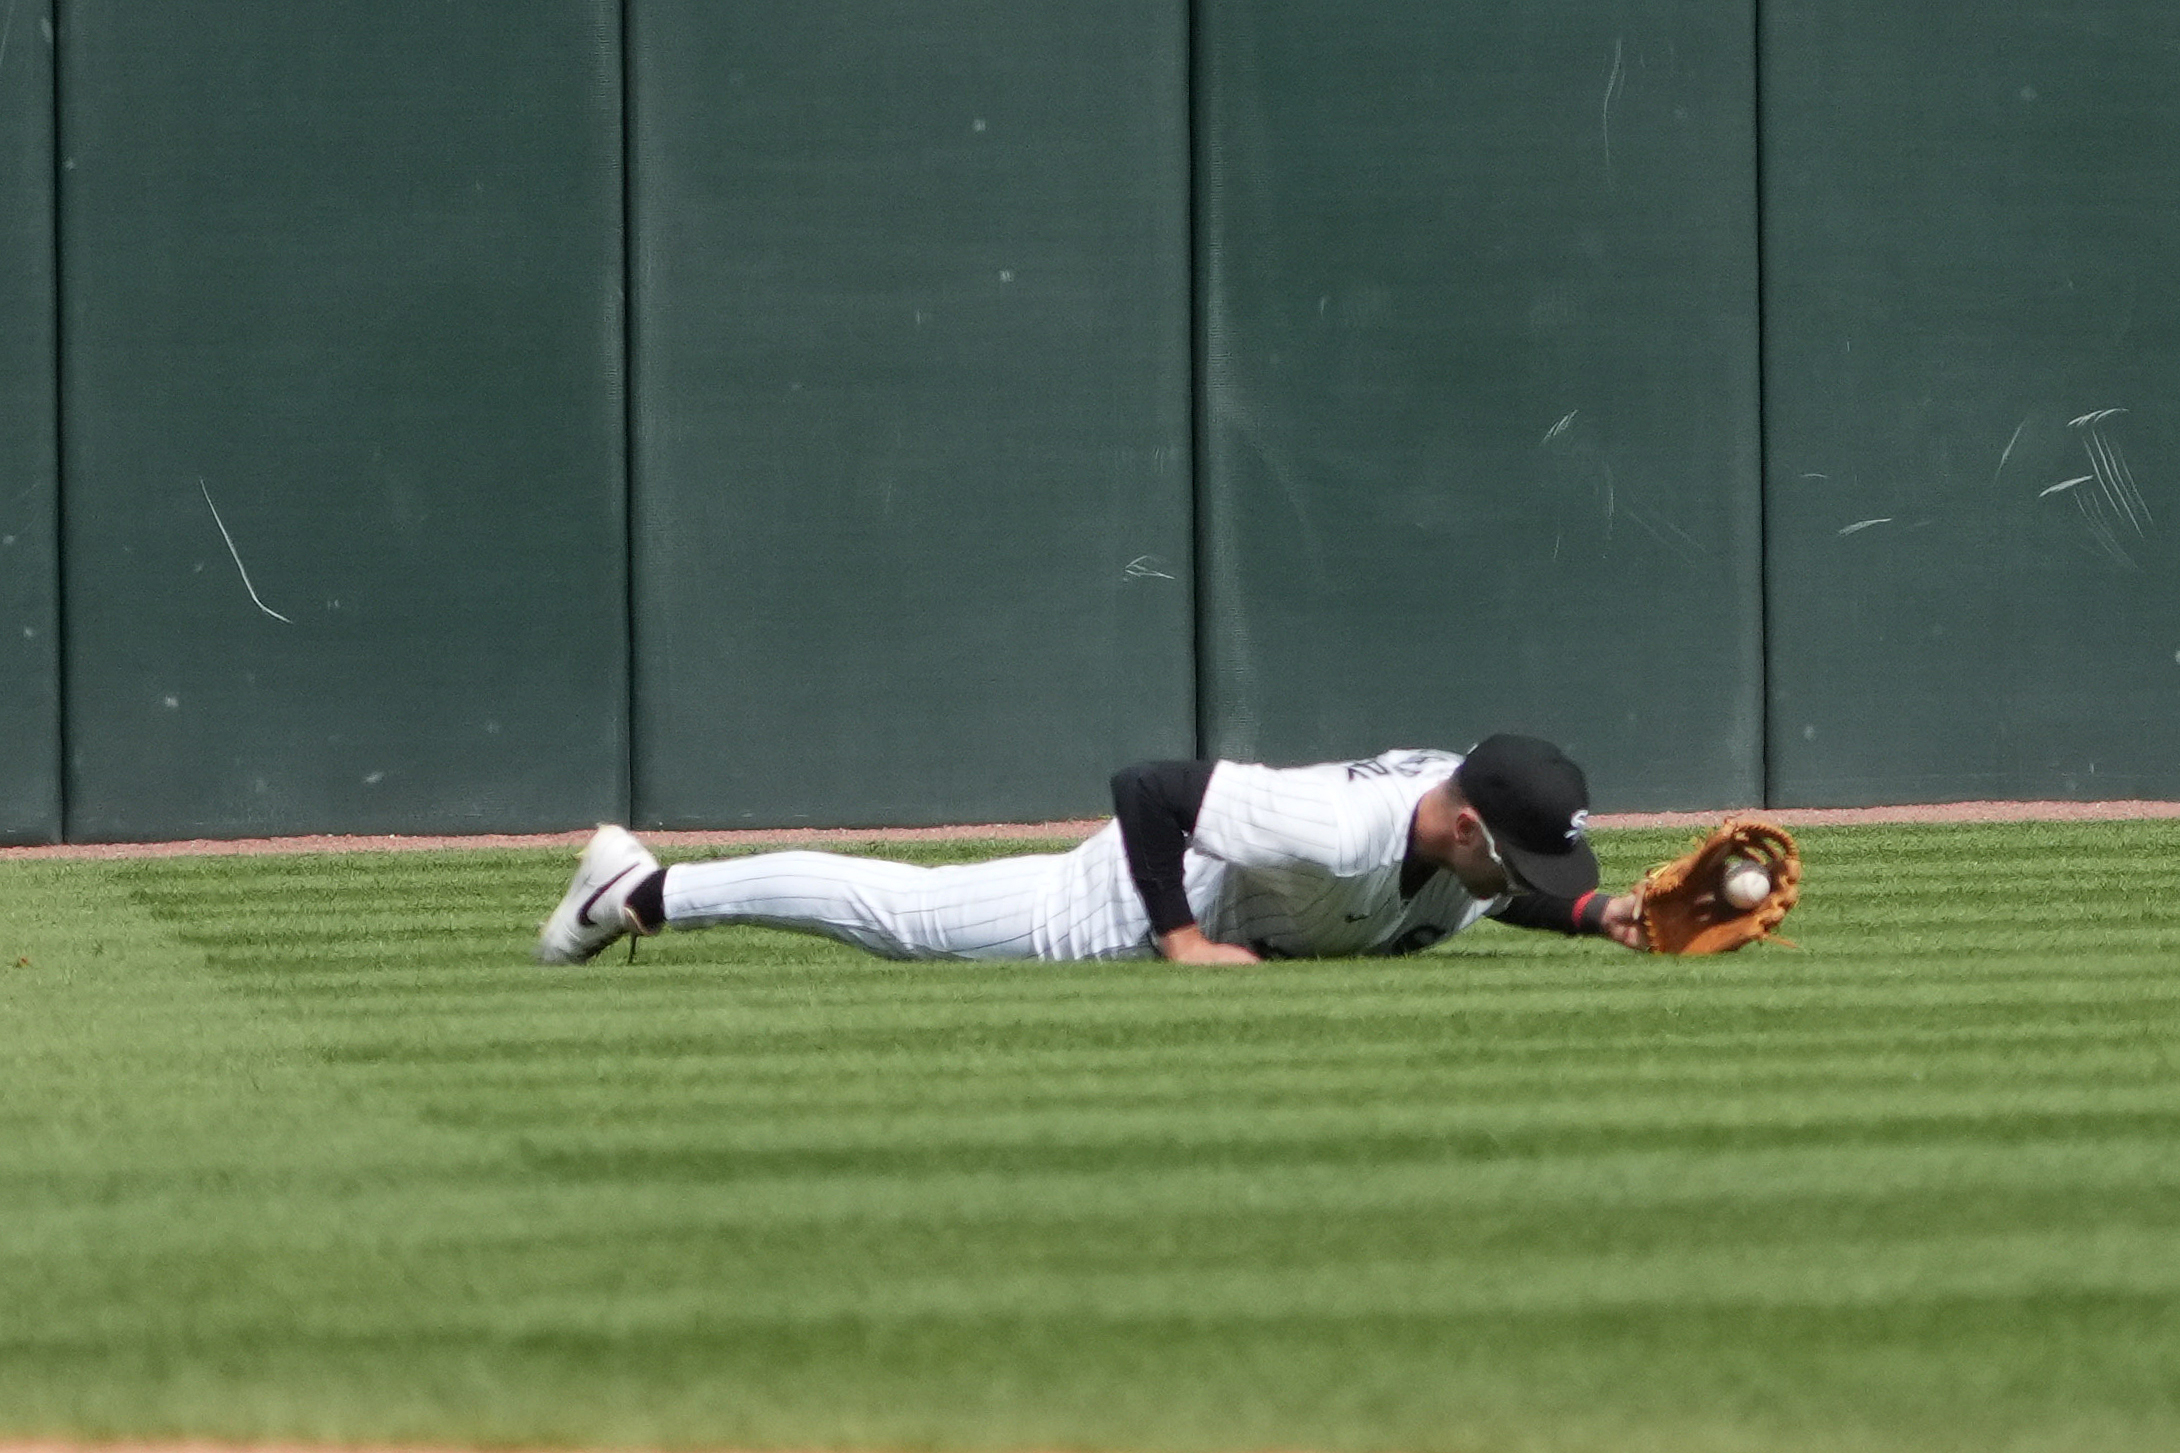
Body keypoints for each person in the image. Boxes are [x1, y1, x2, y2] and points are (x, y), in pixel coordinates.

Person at [535, 733, 1646, 966]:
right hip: (1132, 892)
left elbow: (1492, 892)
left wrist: (1600, 916)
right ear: (1464, 829)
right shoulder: (1333, 826)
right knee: (909, 920)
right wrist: (1176, 942)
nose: (1522, 880)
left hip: (1241, 904)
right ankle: (644, 885)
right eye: (1517, 859)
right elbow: (1148, 789)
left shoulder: (1457, 843)